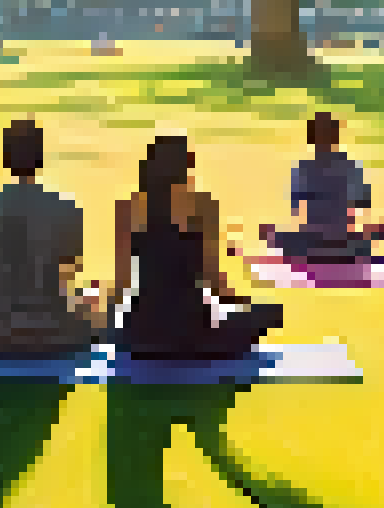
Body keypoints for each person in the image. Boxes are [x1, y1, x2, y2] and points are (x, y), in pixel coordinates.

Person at [0, 119, 102, 357]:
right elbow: (69, 273)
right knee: (96, 298)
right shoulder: (67, 208)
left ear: (6, 158)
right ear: (41, 158)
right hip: (53, 333)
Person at [115, 135, 285, 358]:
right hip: (192, 332)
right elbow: (213, 281)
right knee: (270, 313)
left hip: (142, 332)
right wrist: (244, 305)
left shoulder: (127, 208)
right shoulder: (202, 205)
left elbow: (122, 281)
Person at [262, 112, 384, 262]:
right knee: (372, 235)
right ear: (335, 137)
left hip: (314, 242)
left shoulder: (305, 168)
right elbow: (360, 205)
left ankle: (317, 249)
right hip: (341, 241)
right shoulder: (349, 167)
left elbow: (297, 211)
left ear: (312, 139)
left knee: (273, 235)